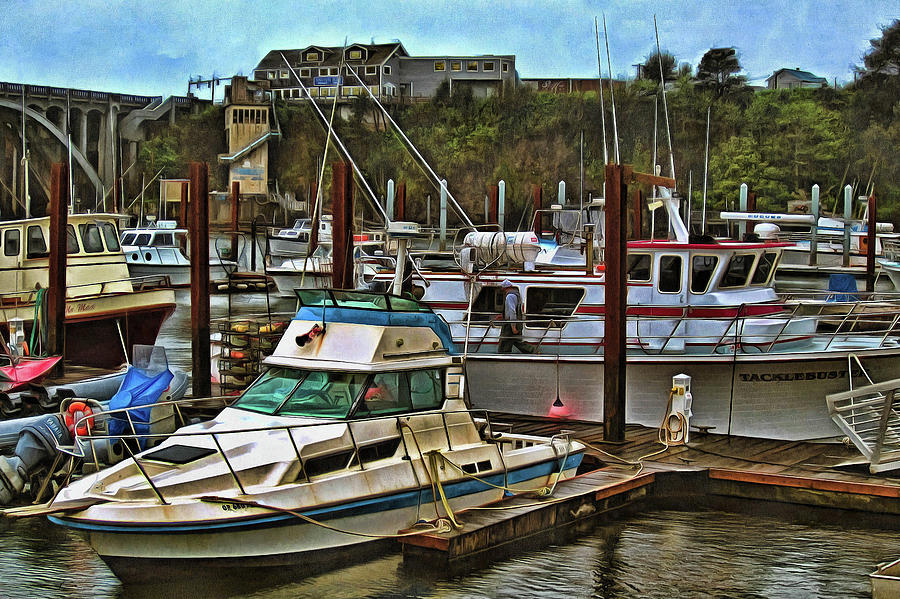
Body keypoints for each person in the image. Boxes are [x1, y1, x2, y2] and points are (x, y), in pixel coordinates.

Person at [497, 279, 534, 354]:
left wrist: (513, 326)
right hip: (516, 321)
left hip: (510, 323)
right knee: (516, 340)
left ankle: (503, 357)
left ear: (505, 288)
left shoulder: (510, 296)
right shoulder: (516, 294)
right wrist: (503, 315)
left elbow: (512, 311)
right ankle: (532, 350)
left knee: (504, 342)